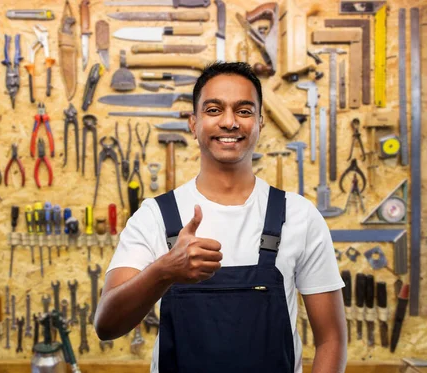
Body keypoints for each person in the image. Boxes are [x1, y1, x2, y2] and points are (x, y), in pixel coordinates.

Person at [94, 62, 347, 373]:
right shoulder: (154, 217)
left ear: (260, 122)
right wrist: (164, 271)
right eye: (214, 110)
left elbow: (331, 339)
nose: (230, 122)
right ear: (193, 123)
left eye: (244, 111)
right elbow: (106, 325)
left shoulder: (299, 215)